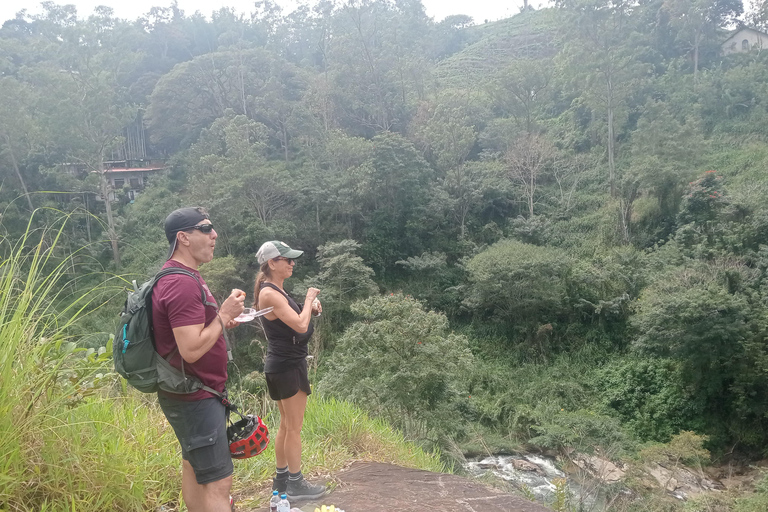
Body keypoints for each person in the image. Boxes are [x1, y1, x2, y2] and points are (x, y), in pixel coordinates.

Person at [153, 207, 245, 512]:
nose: (214, 234)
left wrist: (221, 322)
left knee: (194, 471)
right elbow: (190, 349)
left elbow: (193, 336)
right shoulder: (181, 283)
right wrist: (223, 315)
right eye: (205, 229)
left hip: (192, 393)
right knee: (218, 484)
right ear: (183, 238)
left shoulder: (184, 276)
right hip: (196, 396)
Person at [253, 240, 326, 501]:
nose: (292, 263)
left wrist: (311, 310)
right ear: (272, 263)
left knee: (286, 425)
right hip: (287, 365)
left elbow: (299, 320)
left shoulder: (273, 290)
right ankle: (296, 483)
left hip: (283, 364)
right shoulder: (270, 293)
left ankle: (282, 479)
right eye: (287, 259)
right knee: (294, 427)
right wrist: (308, 300)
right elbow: (298, 324)